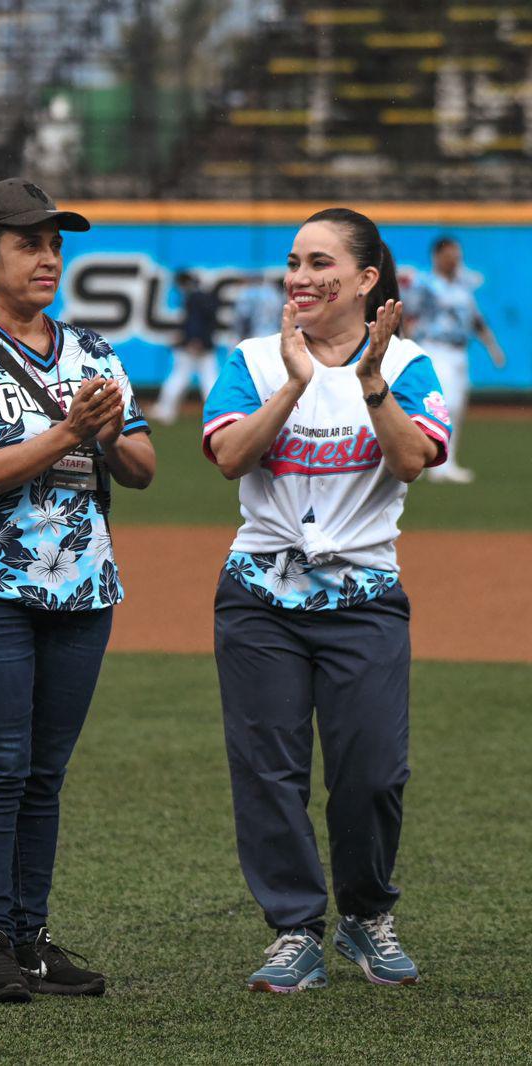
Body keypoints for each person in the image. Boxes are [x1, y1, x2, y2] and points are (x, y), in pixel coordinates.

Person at [0, 178, 155, 1004]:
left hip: (84, 587)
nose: (49, 256)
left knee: (44, 773)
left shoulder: (92, 349)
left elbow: (144, 468)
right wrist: (69, 429)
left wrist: (113, 428)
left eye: (55, 242)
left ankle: (32, 936)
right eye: (29, 243)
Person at [203, 208, 450, 994]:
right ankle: (294, 930)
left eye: (321, 263)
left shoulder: (411, 366)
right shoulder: (251, 358)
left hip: (366, 597)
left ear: (366, 279)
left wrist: (369, 382)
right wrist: (294, 385)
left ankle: (366, 914)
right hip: (259, 596)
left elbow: (412, 463)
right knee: (268, 771)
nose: (301, 278)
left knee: (373, 772)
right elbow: (230, 456)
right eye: (293, 263)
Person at [405, 235, 507, 484]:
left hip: (458, 351)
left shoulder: (462, 287)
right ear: (437, 256)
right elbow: (407, 315)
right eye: (450, 254)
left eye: (457, 254)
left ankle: (445, 463)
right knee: (442, 404)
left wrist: (492, 347)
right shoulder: (425, 285)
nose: (455, 259)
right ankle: (422, 461)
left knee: (457, 407)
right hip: (434, 348)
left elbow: (476, 320)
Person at [152, 270, 220, 424]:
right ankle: (218, 413)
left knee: (179, 377)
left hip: (192, 344)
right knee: (210, 379)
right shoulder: (205, 295)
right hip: (206, 344)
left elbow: (194, 321)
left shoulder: (193, 297)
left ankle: (165, 410)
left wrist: (194, 338)